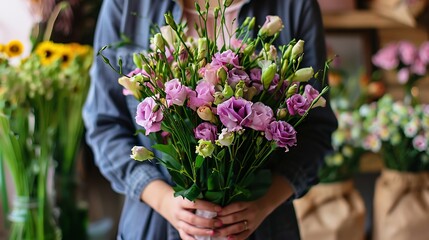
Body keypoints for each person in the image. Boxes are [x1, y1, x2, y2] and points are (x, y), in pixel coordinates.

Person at [82, 0, 338, 239]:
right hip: (155, 225)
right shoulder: (126, 5)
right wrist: (163, 201)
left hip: (263, 226)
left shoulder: (294, 5)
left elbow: (315, 129)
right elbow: (104, 124)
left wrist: (263, 203)